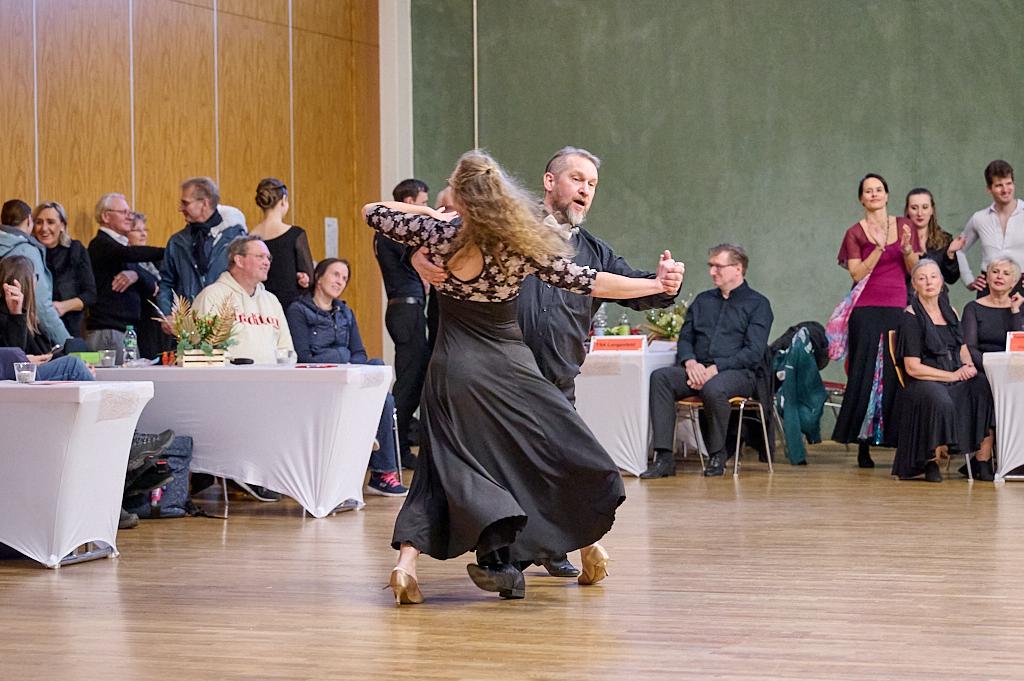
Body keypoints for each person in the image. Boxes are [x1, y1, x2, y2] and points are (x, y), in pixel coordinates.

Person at [364, 149, 682, 605]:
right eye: (578, 179)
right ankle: (532, 557)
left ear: (460, 196)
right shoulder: (517, 243)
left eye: (591, 183)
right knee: (554, 455)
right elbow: (589, 281)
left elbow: (374, 211)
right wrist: (653, 284)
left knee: (448, 468)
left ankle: (411, 564)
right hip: (509, 370)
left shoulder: (440, 233)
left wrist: (430, 219)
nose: (586, 190)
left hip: (454, 368)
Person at [645, 244, 773, 478]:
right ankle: (664, 458)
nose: (712, 272)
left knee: (714, 388)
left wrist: (716, 369)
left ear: (737, 268)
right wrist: (690, 362)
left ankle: (717, 454)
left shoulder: (758, 304)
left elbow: (753, 352)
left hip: (738, 373)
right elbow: (686, 338)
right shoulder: (703, 301)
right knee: (661, 378)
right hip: (697, 369)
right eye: (711, 266)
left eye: (718, 266)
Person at [285, 258, 409, 497]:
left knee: (378, 371)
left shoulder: (345, 313)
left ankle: (378, 462)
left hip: (348, 378)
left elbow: (359, 352)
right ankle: (380, 468)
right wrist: (342, 361)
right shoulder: (298, 310)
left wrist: (353, 368)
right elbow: (303, 356)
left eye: (344, 278)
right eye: (335, 275)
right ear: (318, 277)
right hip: (320, 382)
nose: (340, 281)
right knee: (383, 398)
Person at [832, 173, 921, 468]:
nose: (874, 194)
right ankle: (862, 443)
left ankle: (898, 440)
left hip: (897, 306)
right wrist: (879, 248)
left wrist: (906, 250)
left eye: (879, 189)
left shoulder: (905, 225)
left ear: (887, 194)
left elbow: (915, 269)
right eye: (868, 191)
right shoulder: (854, 232)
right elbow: (857, 273)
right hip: (866, 309)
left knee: (897, 374)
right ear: (861, 198)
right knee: (866, 374)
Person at [892, 259, 995, 482]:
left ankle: (982, 459)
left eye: (933, 277)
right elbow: (912, 367)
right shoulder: (910, 316)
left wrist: (968, 366)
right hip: (924, 379)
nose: (929, 282)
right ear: (914, 285)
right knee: (940, 398)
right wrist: (952, 375)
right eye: (922, 278)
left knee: (983, 386)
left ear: (941, 282)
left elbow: (962, 348)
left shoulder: (951, 311)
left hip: (952, 374)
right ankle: (931, 460)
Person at [373, 179, 431, 472]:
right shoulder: (392, 230)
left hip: (408, 310)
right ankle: (396, 447)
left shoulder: (391, 232)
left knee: (413, 378)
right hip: (405, 311)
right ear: (408, 202)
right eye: (423, 203)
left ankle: (399, 443)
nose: (426, 208)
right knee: (409, 381)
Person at [157, 177, 247, 325]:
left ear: (204, 203)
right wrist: (166, 314)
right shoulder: (177, 242)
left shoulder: (236, 240)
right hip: (188, 327)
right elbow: (166, 283)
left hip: (228, 325)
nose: (180, 208)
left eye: (185, 203)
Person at [193, 235, 293, 366]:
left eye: (268, 258)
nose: (267, 262)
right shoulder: (212, 296)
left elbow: (286, 349)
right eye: (260, 256)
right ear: (239, 260)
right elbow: (204, 350)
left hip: (271, 377)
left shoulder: (271, 300)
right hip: (229, 377)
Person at [86, 193, 165, 360]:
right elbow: (128, 254)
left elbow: (152, 285)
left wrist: (137, 274)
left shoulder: (121, 248)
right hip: (109, 331)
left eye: (129, 212)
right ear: (106, 216)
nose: (129, 217)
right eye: (123, 212)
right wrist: (169, 252)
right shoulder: (101, 244)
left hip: (125, 331)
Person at [0, 199, 72, 347]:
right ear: (29, 220)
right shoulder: (27, 251)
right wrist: (68, 343)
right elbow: (41, 306)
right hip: (18, 335)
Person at [947, 160, 1024, 295]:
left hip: (1021, 286)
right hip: (988, 288)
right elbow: (959, 250)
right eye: (999, 185)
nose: (1005, 190)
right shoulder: (979, 218)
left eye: (1009, 183)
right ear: (989, 188)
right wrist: (969, 281)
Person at [32, 201, 96, 339]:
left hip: (71, 327)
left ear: (62, 225)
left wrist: (63, 306)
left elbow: (90, 295)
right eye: (39, 222)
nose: (44, 228)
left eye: (50, 222)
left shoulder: (75, 249)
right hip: (36, 331)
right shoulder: (30, 253)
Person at [249, 178, 314, 311]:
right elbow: (309, 278)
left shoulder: (249, 237)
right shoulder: (295, 234)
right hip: (290, 308)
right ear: (284, 200)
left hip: (259, 307)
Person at [962, 254, 1024, 371]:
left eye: (1006, 273)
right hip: (982, 367)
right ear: (987, 278)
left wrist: (1015, 311)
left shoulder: (1020, 307)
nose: (999, 276)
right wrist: (991, 369)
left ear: (1014, 282)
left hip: (1015, 368)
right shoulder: (972, 308)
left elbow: (1020, 347)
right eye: (995, 272)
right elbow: (970, 347)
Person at [127, 212, 167, 359]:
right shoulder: (125, 262)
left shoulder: (156, 260)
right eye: (137, 230)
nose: (143, 234)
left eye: (145, 230)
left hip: (160, 322)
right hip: (140, 323)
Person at [903, 188, 961, 285]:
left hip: (936, 294)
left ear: (932, 210)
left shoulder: (944, 239)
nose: (920, 213)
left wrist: (950, 255)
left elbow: (951, 279)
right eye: (914, 208)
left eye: (925, 207)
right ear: (907, 211)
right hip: (906, 293)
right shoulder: (898, 239)